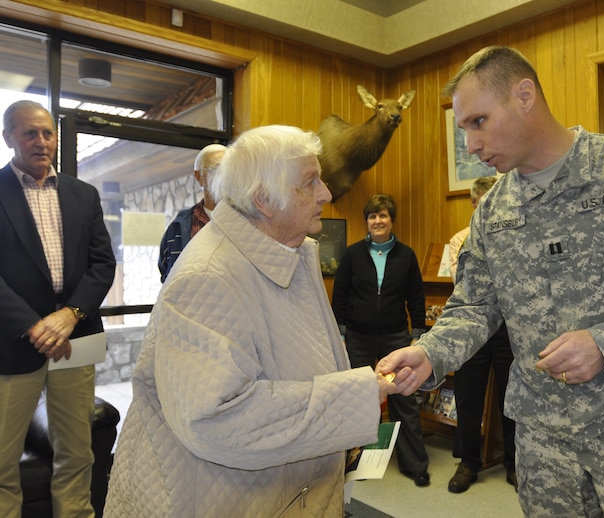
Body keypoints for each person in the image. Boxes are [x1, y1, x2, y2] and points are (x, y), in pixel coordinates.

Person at [377, 46, 604, 517]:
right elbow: (473, 308)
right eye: (464, 128)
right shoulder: (493, 212)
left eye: (478, 121)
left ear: (525, 96)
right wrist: (430, 352)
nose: (470, 145)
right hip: (543, 439)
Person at [104, 125, 396, 517]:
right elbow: (218, 417)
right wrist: (354, 397)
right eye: (310, 183)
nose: (326, 193)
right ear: (264, 199)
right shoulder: (207, 275)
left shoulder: (293, 250)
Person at [0, 100, 116, 517]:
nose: (42, 141)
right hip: (13, 344)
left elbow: (103, 264)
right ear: (8, 137)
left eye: (48, 133)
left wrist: (70, 315)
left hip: (76, 338)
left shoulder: (83, 195)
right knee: (1, 461)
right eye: (30, 133)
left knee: (77, 452)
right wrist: (34, 326)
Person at [331, 194, 431, 487]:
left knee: (403, 399)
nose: (377, 221)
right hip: (358, 337)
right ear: (367, 222)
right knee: (358, 398)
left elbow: (416, 298)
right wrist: (340, 334)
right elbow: (340, 296)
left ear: (391, 221)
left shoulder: (406, 255)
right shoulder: (352, 255)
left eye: (383, 215)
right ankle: (355, 462)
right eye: (372, 216)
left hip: (396, 337)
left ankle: (415, 465)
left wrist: (417, 336)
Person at [447, 175, 516, 493]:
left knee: (512, 397)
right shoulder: (459, 240)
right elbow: (459, 285)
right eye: (482, 201)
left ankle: (515, 463)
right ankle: (468, 462)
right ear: (474, 203)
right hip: (472, 328)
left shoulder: (514, 235)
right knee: (468, 396)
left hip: (508, 329)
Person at [158, 143, 226, 282]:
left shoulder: (250, 221)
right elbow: (167, 276)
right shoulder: (177, 229)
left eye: (230, 170)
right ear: (199, 176)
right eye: (216, 169)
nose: (224, 176)